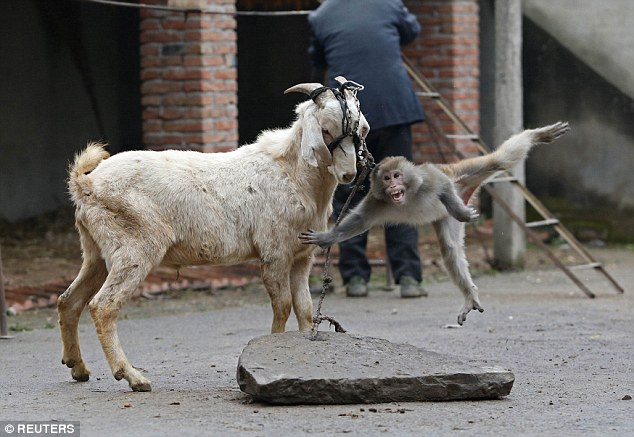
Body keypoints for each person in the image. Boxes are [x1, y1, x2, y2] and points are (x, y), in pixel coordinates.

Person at [308, 0, 427, 298]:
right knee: (400, 191)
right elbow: (412, 31)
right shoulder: (388, 4)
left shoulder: (322, 15)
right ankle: (409, 278)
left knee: (350, 194)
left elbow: (317, 58)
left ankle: (356, 278)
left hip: (349, 118)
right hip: (391, 110)